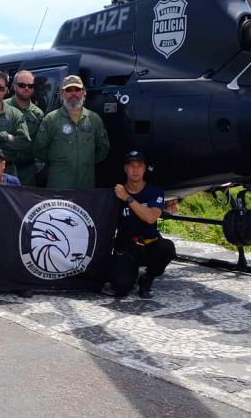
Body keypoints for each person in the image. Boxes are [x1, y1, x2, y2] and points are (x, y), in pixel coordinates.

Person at [108, 151, 176, 299]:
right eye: (131, 166)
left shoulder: (154, 191)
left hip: (149, 244)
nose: (135, 170)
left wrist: (128, 198)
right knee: (121, 287)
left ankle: (147, 278)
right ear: (125, 168)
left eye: (139, 166)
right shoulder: (116, 192)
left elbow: (151, 217)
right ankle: (129, 274)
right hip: (127, 247)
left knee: (167, 248)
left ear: (144, 169)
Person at [33, 74, 109, 189]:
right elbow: (39, 149)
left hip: (85, 186)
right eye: (69, 90)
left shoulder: (94, 119)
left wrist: (85, 161)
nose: (73, 93)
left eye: (77, 89)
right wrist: (59, 161)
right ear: (62, 93)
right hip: (59, 186)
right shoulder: (51, 119)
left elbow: (103, 149)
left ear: (83, 92)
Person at [5, 70, 44, 186]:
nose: (26, 88)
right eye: (22, 85)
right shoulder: (3, 107)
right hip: (5, 169)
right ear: (15, 86)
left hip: (28, 171)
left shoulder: (37, 114)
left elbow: (40, 142)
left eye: (30, 85)